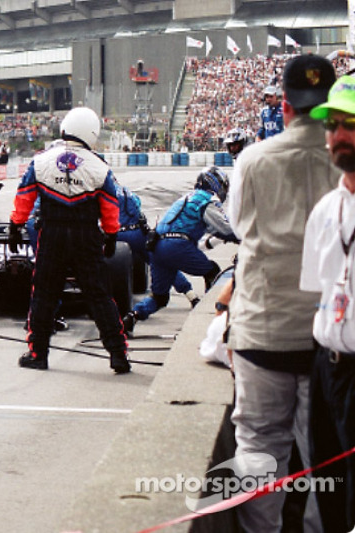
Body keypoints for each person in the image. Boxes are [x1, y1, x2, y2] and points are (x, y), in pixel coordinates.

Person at [226, 53, 338, 533]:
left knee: (257, 446)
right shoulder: (345, 162)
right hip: (330, 335)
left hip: (263, 329)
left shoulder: (253, 158)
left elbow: (235, 224)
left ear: (284, 106)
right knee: (327, 458)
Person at [8, 106, 131, 374]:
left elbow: (25, 195)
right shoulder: (100, 167)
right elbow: (112, 206)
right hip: (86, 235)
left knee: (43, 295)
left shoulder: (41, 161)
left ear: (66, 128)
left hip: (51, 234)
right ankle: (118, 354)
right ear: (91, 133)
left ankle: (38, 353)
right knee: (99, 296)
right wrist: (111, 235)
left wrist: (15, 225)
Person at [300, 74, 355, 533]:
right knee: (328, 480)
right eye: (332, 125)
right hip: (328, 367)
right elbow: (318, 289)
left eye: (350, 124)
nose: (338, 135)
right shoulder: (325, 210)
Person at [122, 166, 236, 334]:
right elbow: (225, 229)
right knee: (212, 271)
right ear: (216, 183)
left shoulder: (186, 198)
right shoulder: (207, 200)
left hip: (156, 246)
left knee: (159, 297)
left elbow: (210, 234)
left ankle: (132, 317)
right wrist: (243, 237)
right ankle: (211, 316)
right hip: (177, 245)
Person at [115, 182, 200, 308]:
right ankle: (191, 295)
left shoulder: (103, 191)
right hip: (138, 232)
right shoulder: (125, 190)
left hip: (119, 235)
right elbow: (138, 205)